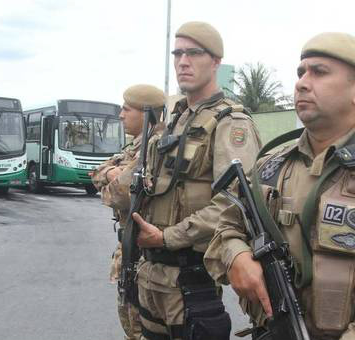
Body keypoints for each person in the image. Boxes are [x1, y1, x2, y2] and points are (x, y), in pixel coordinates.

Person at [204, 32, 355, 340]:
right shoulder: (271, 165)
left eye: (319, 72)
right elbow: (225, 227)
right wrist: (236, 255)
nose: (302, 83)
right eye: (301, 72)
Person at [129, 21, 262, 340]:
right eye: (177, 54)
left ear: (215, 61)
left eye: (193, 53)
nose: (182, 61)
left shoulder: (231, 123)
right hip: (152, 274)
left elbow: (236, 205)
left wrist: (168, 237)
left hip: (191, 278)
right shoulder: (175, 122)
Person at [92, 84, 167, 340]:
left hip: (142, 250)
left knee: (139, 327)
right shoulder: (135, 147)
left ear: (147, 114)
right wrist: (114, 174)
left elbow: (121, 194)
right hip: (129, 247)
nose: (121, 115)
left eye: (126, 109)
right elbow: (97, 173)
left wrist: (115, 177)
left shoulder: (154, 147)